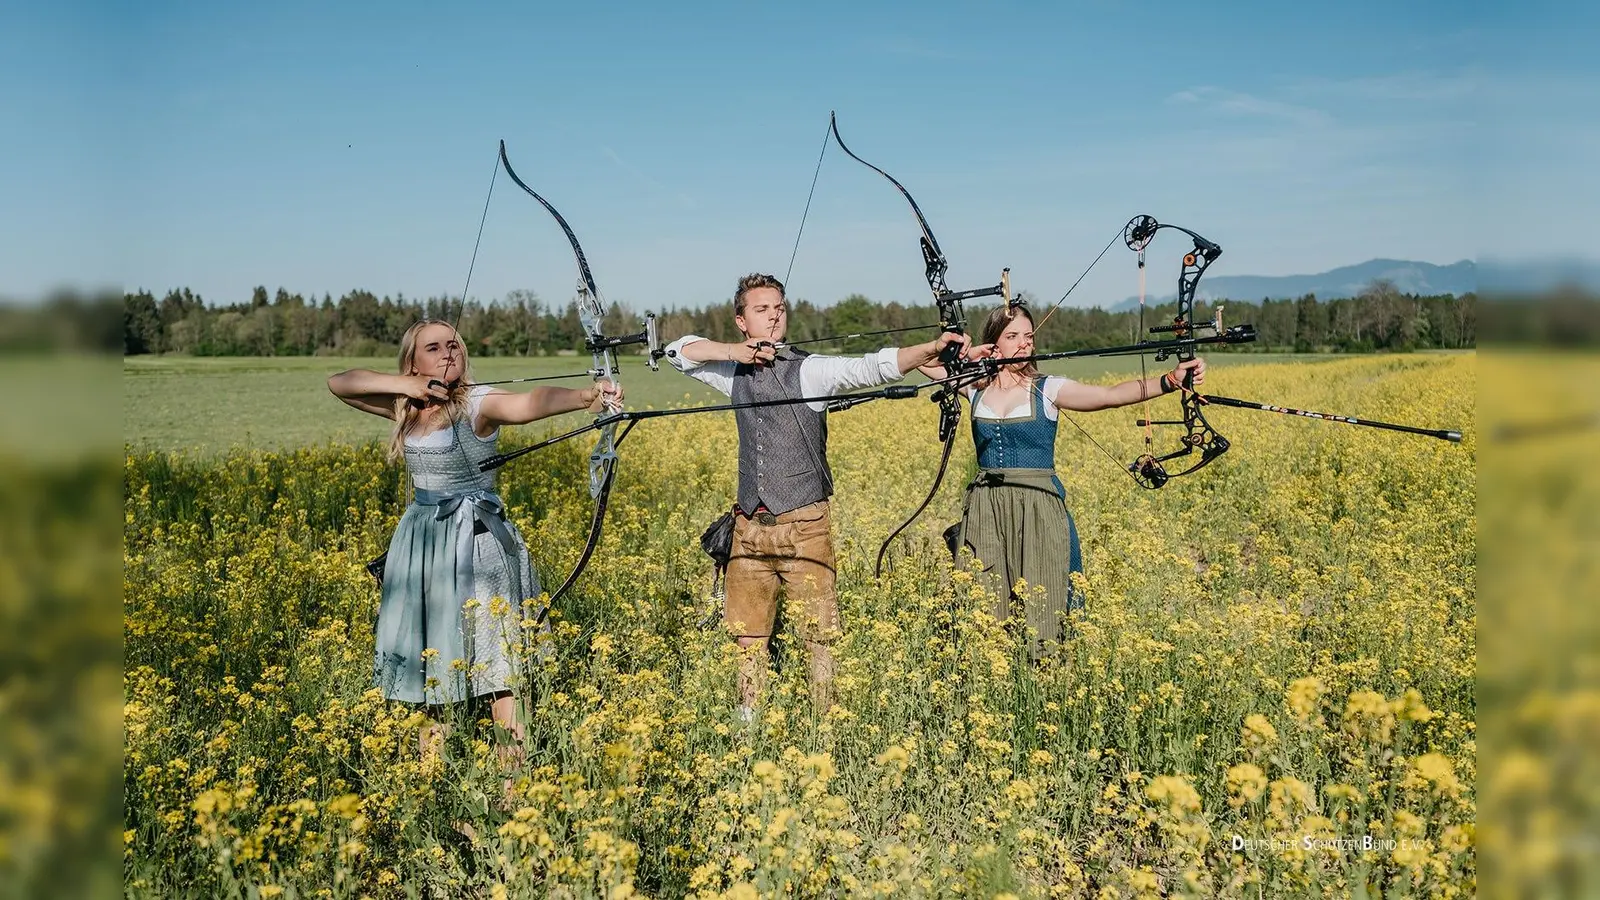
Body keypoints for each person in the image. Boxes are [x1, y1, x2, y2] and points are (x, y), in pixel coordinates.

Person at [663, 273, 970, 718]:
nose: (773, 316)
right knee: (748, 637)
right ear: (741, 321)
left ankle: (825, 724)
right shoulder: (730, 374)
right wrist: (733, 353)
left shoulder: (810, 369)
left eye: (780, 308)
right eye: (761, 309)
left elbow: (871, 366)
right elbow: (677, 352)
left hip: (804, 525)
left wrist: (930, 349)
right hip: (749, 529)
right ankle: (750, 724)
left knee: (818, 637)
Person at [326, 319, 621, 760]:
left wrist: (587, 396)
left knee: (502, 672)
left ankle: (513, 787)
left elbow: (529, 402)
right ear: (413, 361)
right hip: (422, 547)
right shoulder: (406, 407)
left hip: (477, 543)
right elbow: (341, 383)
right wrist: (409, 385)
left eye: (453, 345)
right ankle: (435, 784)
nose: (448, 353)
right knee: (432, 666)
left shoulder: (477, 402)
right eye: (433, 348)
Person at [925, 303, 1206, 655]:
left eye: (1029, 336)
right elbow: (925, 363)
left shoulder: (1048, 389)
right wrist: (966, 353)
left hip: (1039, 507)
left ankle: (1043, 682)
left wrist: (1170, 381)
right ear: (993, 343)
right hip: (985, 509)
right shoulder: (972, 388)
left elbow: (1111, 396)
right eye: (1012, 336)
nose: (1024, 344)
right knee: (982, 610)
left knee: (1043, 609)